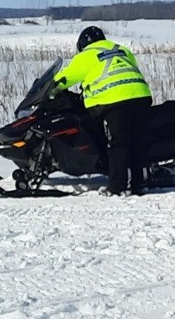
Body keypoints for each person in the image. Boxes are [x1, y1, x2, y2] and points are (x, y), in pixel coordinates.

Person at [52, 26, 153, 196]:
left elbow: (66, 77)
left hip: (113, 100)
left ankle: (117, 187)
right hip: (141, 96)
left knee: (118, 143)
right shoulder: (121, 49)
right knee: (138, 142)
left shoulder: (86, 55)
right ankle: (140, 183)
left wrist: (50, 89)